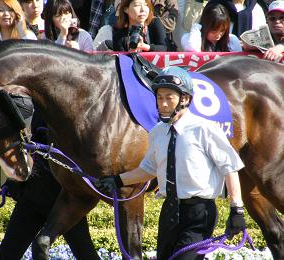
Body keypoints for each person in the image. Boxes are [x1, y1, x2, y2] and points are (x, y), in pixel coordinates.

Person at [96, 66, 247, 260]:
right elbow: (148, 169)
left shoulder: (205, 129)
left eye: (169, 97)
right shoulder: (158, 132)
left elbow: (230, 167)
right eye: (160, 98)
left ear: (185, 99)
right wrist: (117, 181)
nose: (163, 104)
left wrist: (237, 209)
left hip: (199, 213)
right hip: (169, 212)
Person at [0, 111, 100, 260]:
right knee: (6, 255)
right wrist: (13, 180)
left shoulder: (72, 111)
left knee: (85, 254)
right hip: (34, 194)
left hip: (66, 200)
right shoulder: (38, 110)